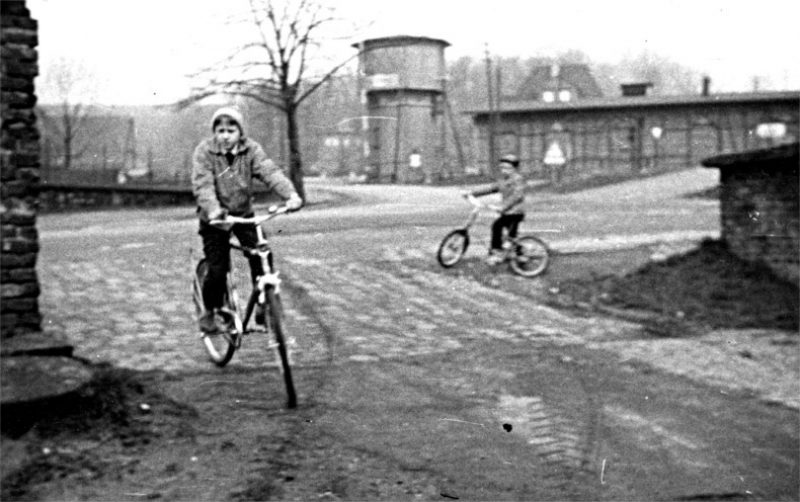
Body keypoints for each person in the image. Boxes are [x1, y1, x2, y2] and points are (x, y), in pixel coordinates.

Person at [192, 107, 303, 334]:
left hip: (243, 215)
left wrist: (290, 195)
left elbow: (270, 172)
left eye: (230, 130)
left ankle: (264, 302)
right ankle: (210, 311)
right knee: (218, 268)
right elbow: (203, 185)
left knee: (262, 255)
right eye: (220, 130)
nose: (225, 135)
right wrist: (213, 210)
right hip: (216, 219)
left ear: (240, 132)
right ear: (215, 132)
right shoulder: (205, 152)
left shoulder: (251, 150)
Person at [464, 154, 526, 265]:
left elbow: (517, 196)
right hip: (507, 213)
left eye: (508, 168)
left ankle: (496, 253)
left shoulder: (518, 179)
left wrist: (503, 207)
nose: (504, 171)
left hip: (515, 212)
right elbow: (491, 188)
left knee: (497, 226)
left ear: (514, 169)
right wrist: (472, 193)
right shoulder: (502, 180)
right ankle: (520, 255)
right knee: (511, 237)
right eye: (502, 168)